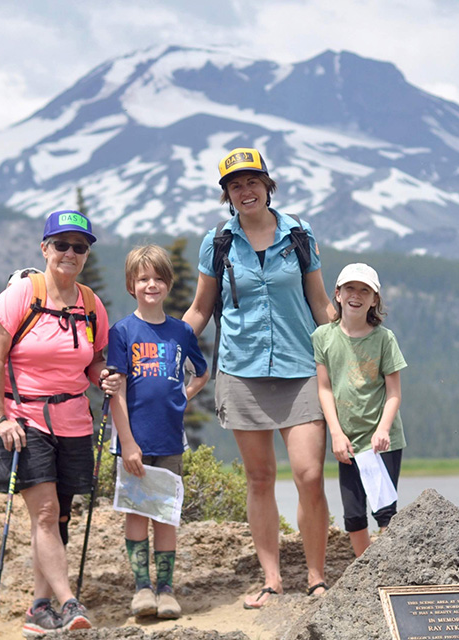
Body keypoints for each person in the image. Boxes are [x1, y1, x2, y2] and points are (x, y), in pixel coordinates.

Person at [183, 147, 333, 609]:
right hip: (241, 369)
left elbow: (320, 303)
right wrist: (157, 341)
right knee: (260, 477)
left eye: (252, 182)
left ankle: (316, 577)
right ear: (227, 194)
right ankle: (272, 580)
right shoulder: (219, 242)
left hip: (301, 367)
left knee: (309, 475)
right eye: (234, 185)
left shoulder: (299, 234)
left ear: (268, 184)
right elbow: (201, 309)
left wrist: (360, 341)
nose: (244, 191)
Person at [0, 209, 120, 636]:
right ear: (45, 249)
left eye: (79, 247)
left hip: (74, 422)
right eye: (61, 244)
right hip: (24, 421)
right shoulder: (21, 295)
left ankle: (38, 609)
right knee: (44, 511)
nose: (70, 253)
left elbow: (94, 359)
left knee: (58, 518)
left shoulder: (90, 304)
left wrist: (103, 375)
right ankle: (68, 601)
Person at [107, 245, 209, 620]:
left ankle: (166, 589)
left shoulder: (181, 331)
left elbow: (201, 372)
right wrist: (128, 442)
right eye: (143, 278)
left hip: (169, 439)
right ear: (131, 284)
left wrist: (184, 395)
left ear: (168, 283)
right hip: (133, 440)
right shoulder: (122, 331)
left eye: (158, 278)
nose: (151, 284)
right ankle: (142, 588)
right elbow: (115, 390)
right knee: (136, 512)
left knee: (165, 514)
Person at [312, 263, 407, 557]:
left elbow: (393, 393)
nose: (356, 295)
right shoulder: (323, 337)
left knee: (385, 513)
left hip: (382, 441)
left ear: (374, 299)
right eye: (350, 288)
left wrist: (382, 430)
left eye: (365, 290)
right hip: (347, 442)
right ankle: (365, 575)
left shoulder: (383, 339)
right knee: (353, 515)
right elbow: (324, 388)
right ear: (337, 295)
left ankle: (393, 574)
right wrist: (336, 435)